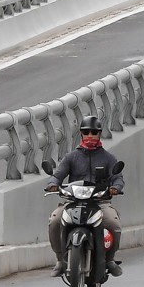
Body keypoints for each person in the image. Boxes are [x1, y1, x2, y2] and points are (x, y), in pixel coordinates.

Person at [45, 115, 124, 278]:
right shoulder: (71, 157)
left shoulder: (108, 158)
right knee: (54, 221)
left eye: (94, 132)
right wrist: (53, 183)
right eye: (86, 132)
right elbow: (58, 174)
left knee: (113, 223)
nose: (90, 135)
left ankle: (109, 259)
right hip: (73, 202)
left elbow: (118, 177)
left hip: (100, 202)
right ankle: (60, 260)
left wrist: (115, 188)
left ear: (99, 134)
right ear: (81, 134)